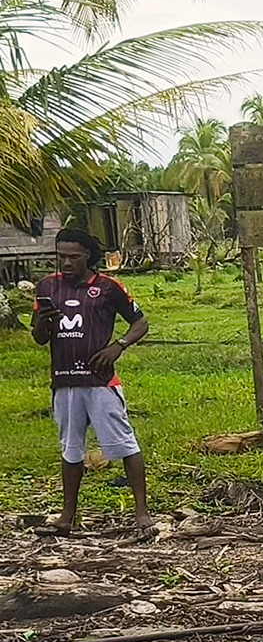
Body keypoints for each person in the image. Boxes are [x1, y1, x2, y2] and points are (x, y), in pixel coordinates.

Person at [30, 228, 150, 534]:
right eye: (61, 257)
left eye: (73, 257)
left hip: (100, 382)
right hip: (65, 381)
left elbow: (140, 322)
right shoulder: (47, 287)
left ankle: (141, 513)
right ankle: (67, 516)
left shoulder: (108, 288)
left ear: (88, 256)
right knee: (71, 449)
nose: (66, 263)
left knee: (124, 444)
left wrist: (118, 346)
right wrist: (43, 322)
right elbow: (39, 337)